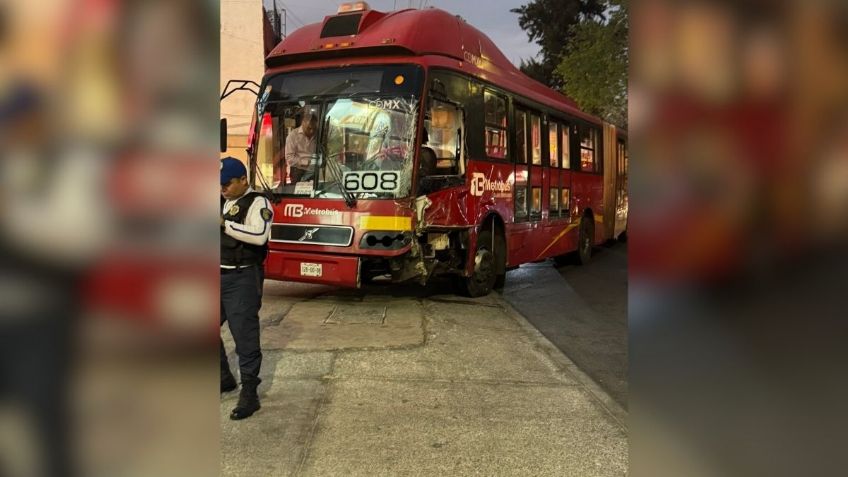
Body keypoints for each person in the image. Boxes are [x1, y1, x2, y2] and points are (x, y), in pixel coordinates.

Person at [220, 157, 273, 420]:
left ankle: (249, 393)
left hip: (242, 278)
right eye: (219, 185)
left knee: (244, 337)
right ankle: (223, 377)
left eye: (227, 184)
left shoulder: (258, 202)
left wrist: (225, 225)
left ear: (243, 180)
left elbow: (259, 235)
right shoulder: (221, 200)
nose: (222, 189)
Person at [284, 111, 318, 183]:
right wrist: (306, 162)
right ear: (303, 123)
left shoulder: (317, 134)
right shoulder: (293, 136)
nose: (312, 131)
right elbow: (289, 157)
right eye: (309, 128)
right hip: (298, 171)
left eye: (314, 129)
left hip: (315, 170)